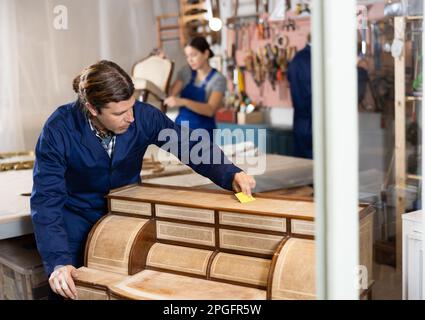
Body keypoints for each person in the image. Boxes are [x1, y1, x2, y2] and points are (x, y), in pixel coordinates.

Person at [30, 60, 255, 300]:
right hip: (75, 218)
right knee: (70, 288)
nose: (131, 118)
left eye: (132, 107)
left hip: (125, 216)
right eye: (119, 113)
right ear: (92, 108)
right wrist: (58, 261)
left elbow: (189, 145)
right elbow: (46, 199)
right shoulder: (59, 128)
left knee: (128, 290)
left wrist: (230, 173)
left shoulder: (143, 115)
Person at [164, 36, 226, 141]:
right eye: (187, 56)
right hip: (180, 128)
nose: (190, 60)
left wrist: (184, 102)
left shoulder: (218, 79)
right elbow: (171, 94)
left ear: (206, 54)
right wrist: (165, 65)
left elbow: (210, 110)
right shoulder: (186, 72)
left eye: (194, 55)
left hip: (203, 132)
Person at [287, 36, 313, 159]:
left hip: (300, 122)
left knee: (301, 167)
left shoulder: (297, 58)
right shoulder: (312, 59)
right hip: (312, 122)